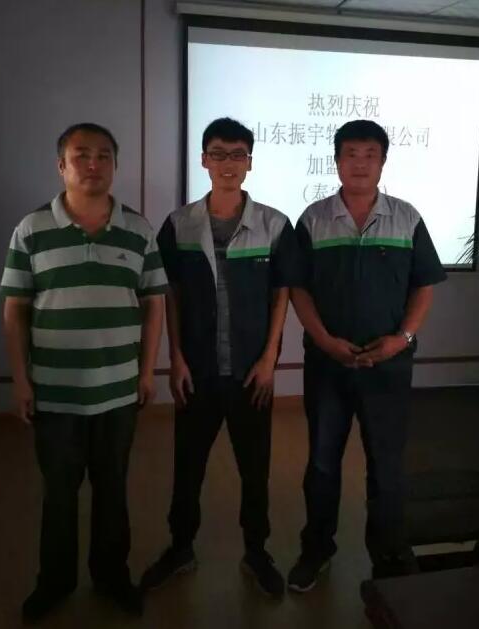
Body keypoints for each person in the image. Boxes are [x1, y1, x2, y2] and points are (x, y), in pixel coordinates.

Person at [0, 122, 166, 621]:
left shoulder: (138, 229)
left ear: (115, 165)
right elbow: (14, 309)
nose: (93, 165)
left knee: (113, 490)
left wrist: (146, 372)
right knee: (59, 493)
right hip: (55, 392)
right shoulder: (32, 229)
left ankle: (112, 577)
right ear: (62, 166)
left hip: (117, 390)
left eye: (104, 156)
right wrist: (21, 380)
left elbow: (154, 303)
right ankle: (55, 583)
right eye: (81, 155)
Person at [287, 119, 446, 591]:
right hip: (328, 366)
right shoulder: (313, 219)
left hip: (389, 365)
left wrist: (403, 338)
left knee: (387, 465)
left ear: (383, 162)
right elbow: (298, 288)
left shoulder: (407, 218)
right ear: (336, 161)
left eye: (370, 155)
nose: (360, 164)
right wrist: (323, 340)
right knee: (322, 463)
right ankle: (317, 548)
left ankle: (389, 554)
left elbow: (424, 286)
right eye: (351, 154)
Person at [141, 118, 298, 598]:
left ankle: (256, 552)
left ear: (249, 162)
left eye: (237, 155)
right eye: (218, 154)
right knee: (188, 466)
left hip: (251, 372)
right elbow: (170, 293)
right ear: (203, 160)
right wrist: (176, 358)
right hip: (198, 370)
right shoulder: (180, 224)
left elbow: (282, 295)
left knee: (255, 468)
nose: (228, 163)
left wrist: (270, 359)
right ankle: (180, 548)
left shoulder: (274, 224)